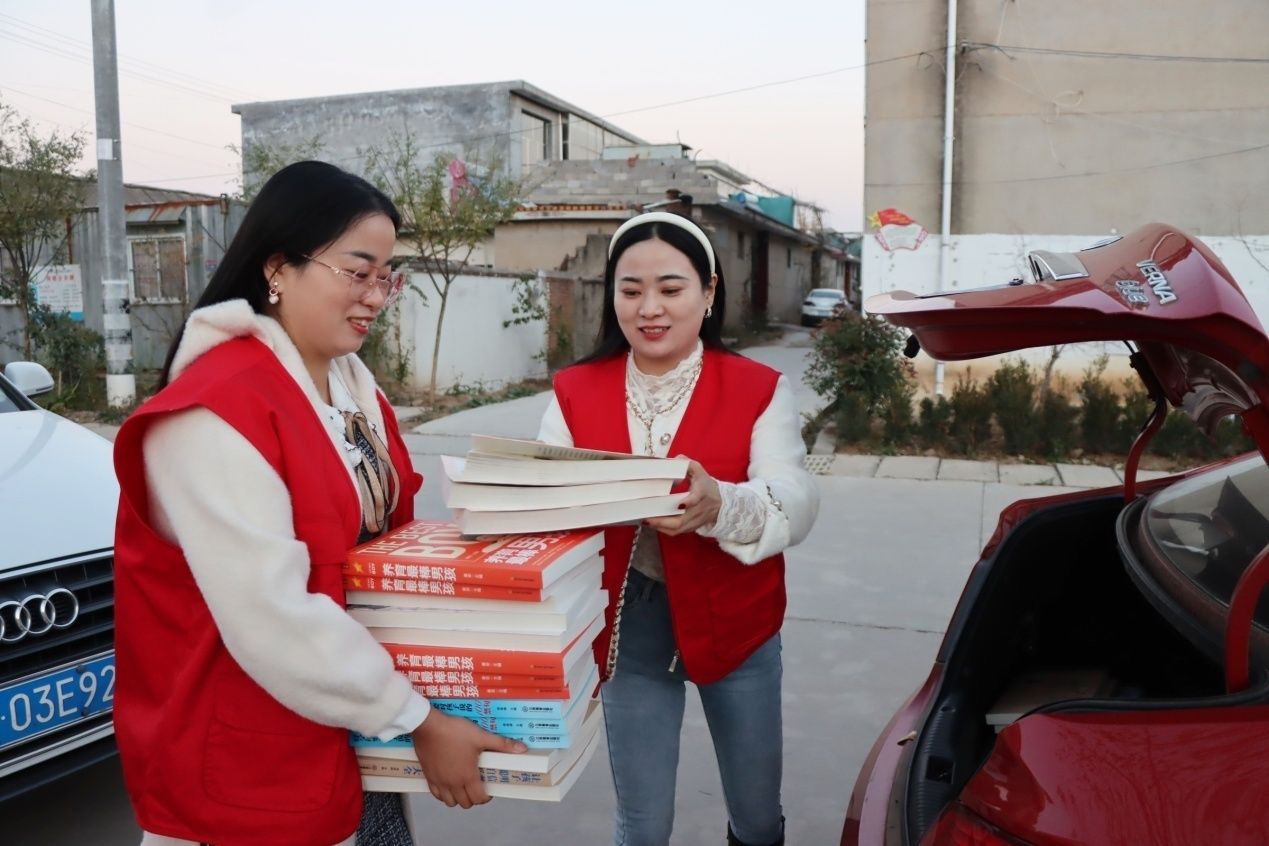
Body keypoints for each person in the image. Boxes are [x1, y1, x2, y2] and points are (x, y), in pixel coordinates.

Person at [112, 161, 524, 846]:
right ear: (277, 268)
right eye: (356, 272)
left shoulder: (354, 392)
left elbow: (388, 551)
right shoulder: (214, 413)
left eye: (386, 276)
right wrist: (420, 718)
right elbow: (274, 617)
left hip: (357, 730)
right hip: (250, 765)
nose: (375, 296)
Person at [537, 211, 820, 846]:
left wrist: (720, 504)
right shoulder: (575, 391)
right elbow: (546, 502)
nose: (649, 308)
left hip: (738, 621)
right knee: (642, 824)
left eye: (671, 288)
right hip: (629, 627)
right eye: (630, 290)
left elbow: (794, 496)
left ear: (709, 292)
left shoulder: (758, 389)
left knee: (755, 816)